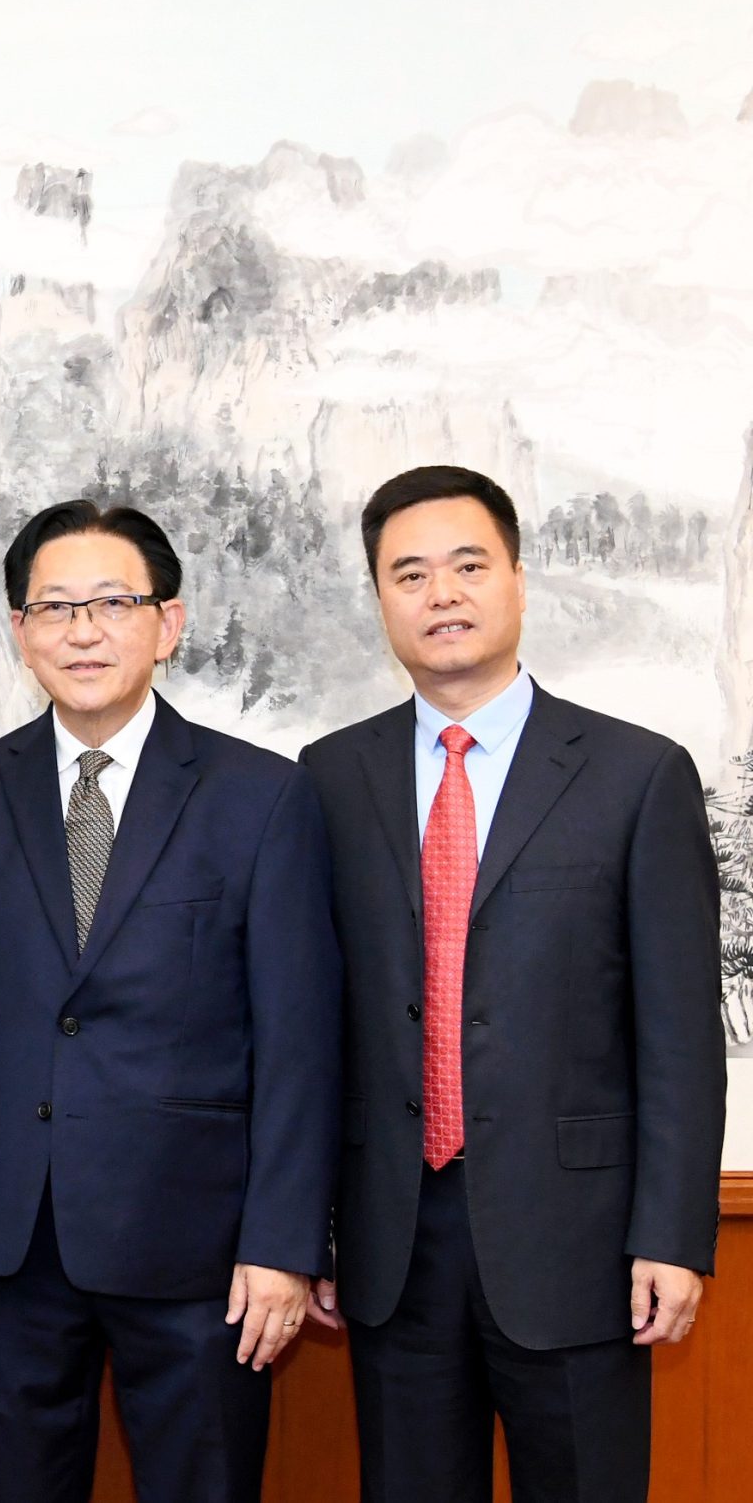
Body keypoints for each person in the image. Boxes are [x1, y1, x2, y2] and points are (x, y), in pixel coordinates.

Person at [298, 465, 723, 1503]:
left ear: (519, 581)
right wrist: (307, 1227)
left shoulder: (635, 774)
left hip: (580, 1242)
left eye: (468, 566)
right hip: (393, 1241)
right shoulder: (328, 777)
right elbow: (310, 1025)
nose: (440, 594)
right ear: (380, 599)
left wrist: (672, 1236)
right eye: (409, 574)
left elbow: (679, 1033)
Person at [0, 500, 340, 1502]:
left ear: (166, 623)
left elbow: (299, 1041)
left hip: (199, 1248)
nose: (83, 631)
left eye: (111, 603)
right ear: (20, 631)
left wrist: (281, 1245)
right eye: (54, 608)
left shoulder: (260, 795)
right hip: (9, 1243)